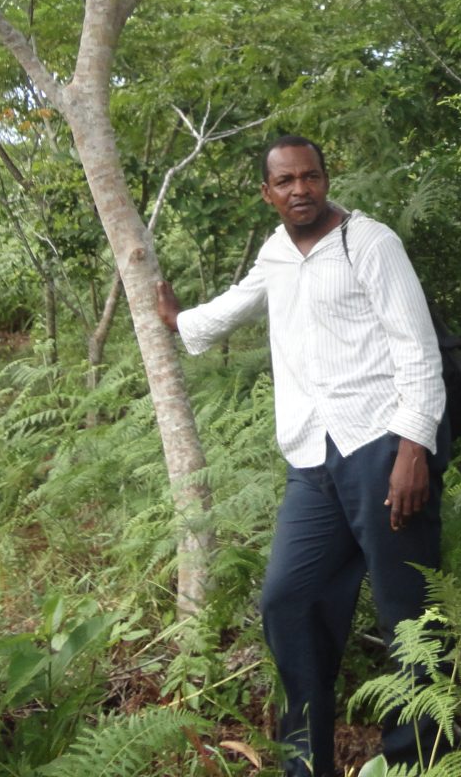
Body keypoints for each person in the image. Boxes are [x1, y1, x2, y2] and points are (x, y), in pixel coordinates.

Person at [157, 134, 445, 777]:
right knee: (289, 600)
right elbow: (241, 300)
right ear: (267, 193)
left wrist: (413, 449)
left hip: (379, 446)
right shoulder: (277, 252)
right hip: (312, 459)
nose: (300, 190)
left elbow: (417, 347)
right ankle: (305, 764)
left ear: (325, 178)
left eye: (309, 176)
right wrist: (181, 322)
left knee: (408, 615)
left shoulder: (370, 243)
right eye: (285, 181)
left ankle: (418, 762)